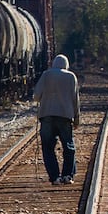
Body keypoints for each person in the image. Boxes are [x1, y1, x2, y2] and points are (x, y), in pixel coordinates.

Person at [32, 54, 80, 184]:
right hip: (65, 116)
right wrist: (76, 118)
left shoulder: (46, 75)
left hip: (47, 116)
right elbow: (75, 99)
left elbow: (36, 96)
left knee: (48, 148)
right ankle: (67, 175)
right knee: (69, 147)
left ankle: (55, 177)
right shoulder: (71, 77)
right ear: (66, 65)